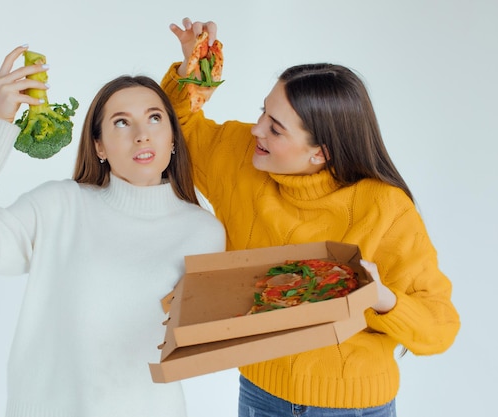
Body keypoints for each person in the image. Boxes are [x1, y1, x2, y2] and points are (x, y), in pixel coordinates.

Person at [162, 18, 460, 417]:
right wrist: (193, 71)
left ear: (321, 152)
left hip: (351, 406)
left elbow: (440, 326)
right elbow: (173, 129)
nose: (255, 130)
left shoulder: (384, 208)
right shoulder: (241, 160)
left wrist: (382, 298)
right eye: (262, 112)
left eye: (276, 128)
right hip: (260, 393)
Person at [0, 45, 225, 417]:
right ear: (99, 145)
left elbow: (202, 344)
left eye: (155, 118)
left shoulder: (203, 231)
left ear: (173, 137)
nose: (142, 134)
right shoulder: (61, 205)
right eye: (121, 121)